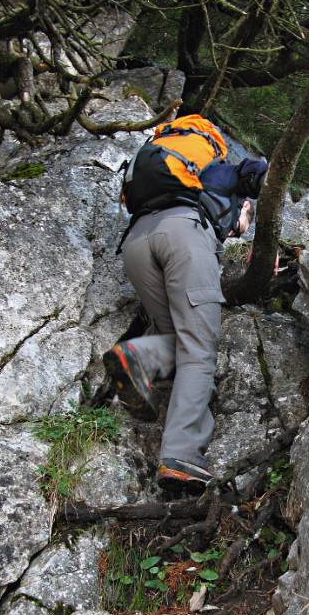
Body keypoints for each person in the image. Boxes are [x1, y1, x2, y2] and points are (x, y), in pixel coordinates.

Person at [103, 159, 264, 494]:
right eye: (245, 221)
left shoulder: (186, 176)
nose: (240, 230)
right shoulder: (229, 174)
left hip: (137, 241)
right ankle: (181, 455)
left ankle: (140, 358)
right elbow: (265, 173)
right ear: (245, 206)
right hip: (185, 236)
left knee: (179, 339)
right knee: (198, 350)